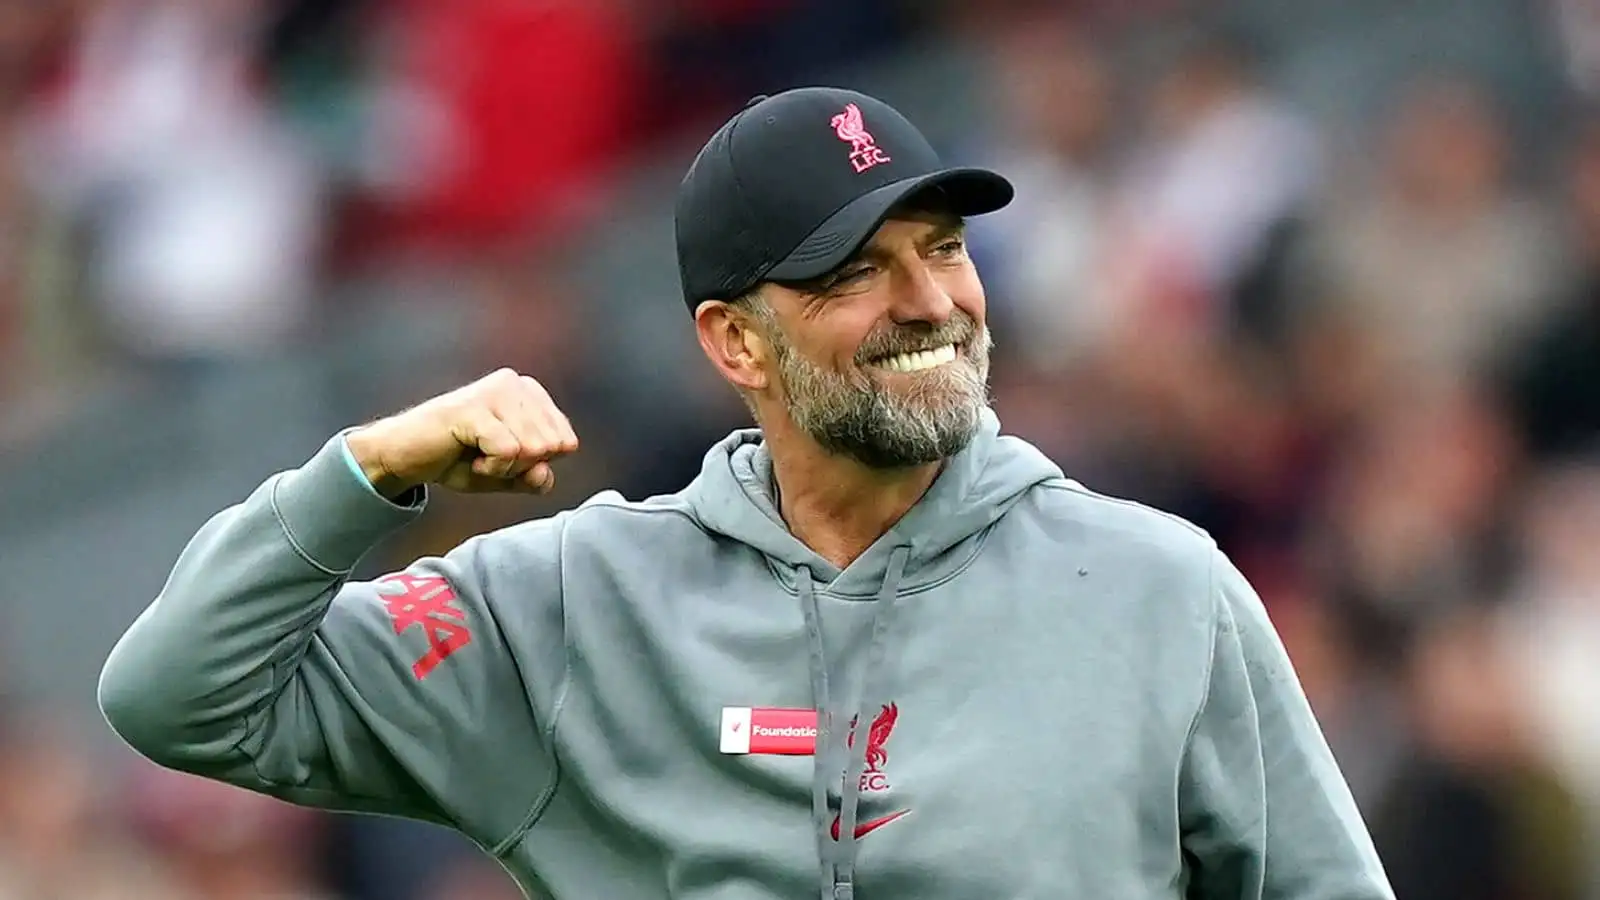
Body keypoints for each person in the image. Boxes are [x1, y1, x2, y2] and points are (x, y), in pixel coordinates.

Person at [97, 87, 1395, 900]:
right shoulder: (566, 609)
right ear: (733, 343)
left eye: (942, 250)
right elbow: (182, 694)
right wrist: (369, 473)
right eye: (856, 272)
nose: (932, 302)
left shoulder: (1160, 591)